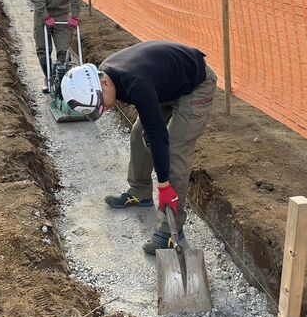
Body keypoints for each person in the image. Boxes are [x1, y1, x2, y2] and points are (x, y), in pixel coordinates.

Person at [60, 41, 217, 254]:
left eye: (100, 104)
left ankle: (171, 232)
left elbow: (158, 135)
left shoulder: (135, 83)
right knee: (137, 134)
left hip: (195, 86)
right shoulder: (109, 74)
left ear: (104, 85)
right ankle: (140, 190)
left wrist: (164, 185)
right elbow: (149, 122)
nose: (103, 109)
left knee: (174, 151)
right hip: (165, 84)